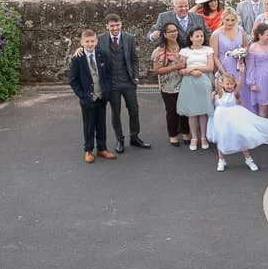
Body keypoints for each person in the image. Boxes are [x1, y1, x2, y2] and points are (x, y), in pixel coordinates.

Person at [96, 14, 150, 152]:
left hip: (128, 82)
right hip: (112, 83)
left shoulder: (129, 38)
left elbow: (134, 59)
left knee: (134, 110)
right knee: (116, 112)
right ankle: (119, 140)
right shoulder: (100, 39)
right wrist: (79, 50)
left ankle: (135, 137)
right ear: (107, 26)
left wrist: (136, 77)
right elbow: (89, 50)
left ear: (121, 24)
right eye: (112, 25)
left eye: (117, 25)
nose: (115, 28)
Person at [209, 71, 268, 171]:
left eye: (231, 84)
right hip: (221, 119)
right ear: (222, 84)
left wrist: (241, 73)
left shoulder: (235, 93)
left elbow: (240, 83)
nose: (229, 86)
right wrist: (217, 80)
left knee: (241, 137)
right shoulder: (219, 94)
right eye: (227, 84)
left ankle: (249, 160)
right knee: (222, 138)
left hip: (235, 117)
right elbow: (216, 89)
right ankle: (221, 161)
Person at [68, 28, 115, 163]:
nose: (90, 44)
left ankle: (102, 148)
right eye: (87, 41)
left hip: (101, 96)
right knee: (89, 124)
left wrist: (107, 90)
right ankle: (88, 150)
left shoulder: (102, 54)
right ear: (82, 42)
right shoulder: (77, 58)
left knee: (101, 124)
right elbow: (73, 80)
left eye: (92, 41)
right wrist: (82, 96)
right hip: (87, 97)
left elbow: (108, 73)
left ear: (96, 41)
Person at [176, 26, 215, 152]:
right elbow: (181, 69)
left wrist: (193, 68)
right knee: (192, 112)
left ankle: (203, 137)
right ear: (191, 37)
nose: (200, 38)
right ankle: (194, 137)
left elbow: (210, 67)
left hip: (204, 82)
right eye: (197, 36)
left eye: (202, 36)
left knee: (203, 111)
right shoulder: (185, 51)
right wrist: (191, 72)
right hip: (189, 82)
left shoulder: (208, 50)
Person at [151, 23, 189, 147]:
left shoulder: (184, 47)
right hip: (168, 86)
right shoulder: (160, 50)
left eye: (175, 30)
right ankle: (172, 135)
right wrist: (175, 67)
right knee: (172, 110)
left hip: (185, 83)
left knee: (184, 109)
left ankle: (185, 132)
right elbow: (157, 70)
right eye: (170, 31)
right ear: (165, 34)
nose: (174, 33)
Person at [243, 21, 268, 121]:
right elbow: (250, 66)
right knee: (263, 107)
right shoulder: (253, 47)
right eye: (267, 35)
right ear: (260, 35)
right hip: (260, 78)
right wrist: (252, 83)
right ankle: (263, 131)